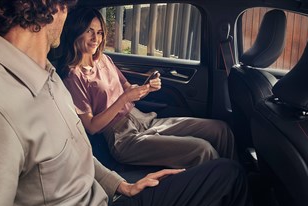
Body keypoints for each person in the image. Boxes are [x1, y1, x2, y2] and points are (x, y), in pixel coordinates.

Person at [0, 1, 255, 206]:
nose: (69, 13)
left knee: (225, 173)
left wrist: (123, 186)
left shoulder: (45, 76)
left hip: (108, 205)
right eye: (68, 7)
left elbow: (79, 154)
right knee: (229, 179)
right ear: (53, 6)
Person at [61, 8, 236, 169]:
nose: (96, 39)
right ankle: (226, 189)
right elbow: (91, 126)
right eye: (89, 31)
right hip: (122, 137)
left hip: (143, 119)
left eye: (99, 32)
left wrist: (147, 87)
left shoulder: (104, 59)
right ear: (76, 31)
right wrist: (124, 99)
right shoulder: (73, 77)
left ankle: (239, 180)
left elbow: (127, 87)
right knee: (202, 150)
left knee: (220, 130)